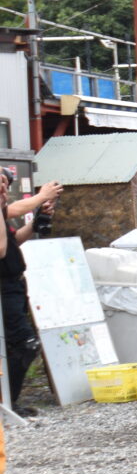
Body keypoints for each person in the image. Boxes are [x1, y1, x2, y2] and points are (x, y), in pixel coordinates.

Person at [0, 170, 60, 415]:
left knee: (15, 346)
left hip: (14, 286)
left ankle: (9, 401)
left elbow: (13, 241)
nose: (4, 190)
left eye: (6, 185)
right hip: (3, 289)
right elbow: (1, 248)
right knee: (24, 344)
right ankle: (7, 403)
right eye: (1, 184)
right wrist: (42, 196)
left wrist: (36, 222)